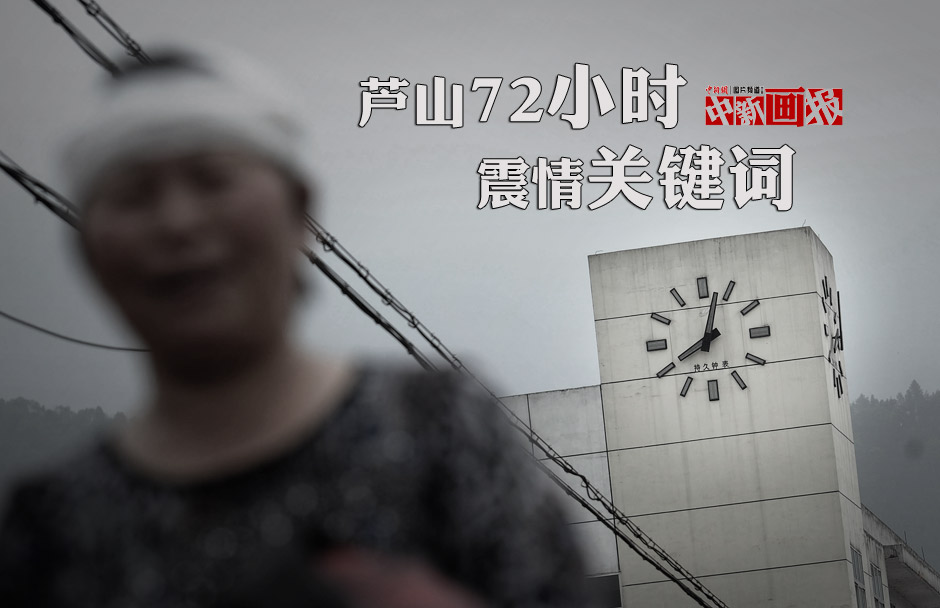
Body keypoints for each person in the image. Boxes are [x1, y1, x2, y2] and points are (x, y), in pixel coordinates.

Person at [0, 44, 590, 607]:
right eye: (133, 195)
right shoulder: (53, 525)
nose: (176, 221)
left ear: (301, 212)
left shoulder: (440, 428)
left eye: (212, 179)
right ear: (88, 251)